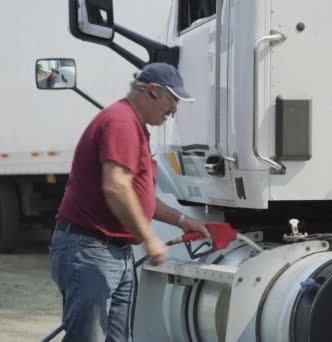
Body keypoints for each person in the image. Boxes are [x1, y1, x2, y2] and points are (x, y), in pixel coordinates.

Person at [50, 62, 211, 341]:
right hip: (91, 250)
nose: (174, 110)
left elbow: (139, 197)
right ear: (152, 91)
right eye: (172, 100)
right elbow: (116, 187)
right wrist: (149, 239)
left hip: (111, 252)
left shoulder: (134, 127)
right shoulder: (121, 122)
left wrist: (183, 221)